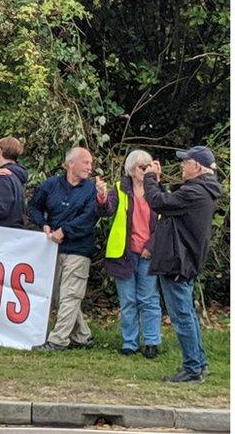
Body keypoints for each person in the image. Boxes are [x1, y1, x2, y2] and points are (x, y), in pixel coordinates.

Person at [143, 146, 221, 382]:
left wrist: (150, 178)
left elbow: (159, 202)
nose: (181, 165)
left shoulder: (196, 192)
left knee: (182, 316)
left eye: (185, 162)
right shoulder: (201, 190)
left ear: (197, 166)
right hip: (183, 259)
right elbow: (170, 202)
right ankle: (199, 363)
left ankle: (193, 368)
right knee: (187, 314)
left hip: (179, 261)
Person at [29, 147, 99, 352]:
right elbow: (33, 206)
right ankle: (83, 336)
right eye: (85, 162)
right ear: (71, 164)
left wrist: (65, 231)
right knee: (60, 295)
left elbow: (89, 218)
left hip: (79, 248)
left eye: (90, 163)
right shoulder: (51, 185)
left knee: (70, 294)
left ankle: (58, 340)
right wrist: (43, 224)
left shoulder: (91, 190)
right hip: (53, 249)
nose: (90, 167)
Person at [94, 149, 161, 359]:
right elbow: (106, 211)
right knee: (128, 300)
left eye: (149, 166)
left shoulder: (158, 191)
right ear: (132, 169)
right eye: (143, 167)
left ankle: (151, 341)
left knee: (149, 299)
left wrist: (151, 246)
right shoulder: (119, 188)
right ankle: (129, 342)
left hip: (148, 253)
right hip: (123, 254)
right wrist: (102, 196)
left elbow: (164, 223)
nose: (146, 170)